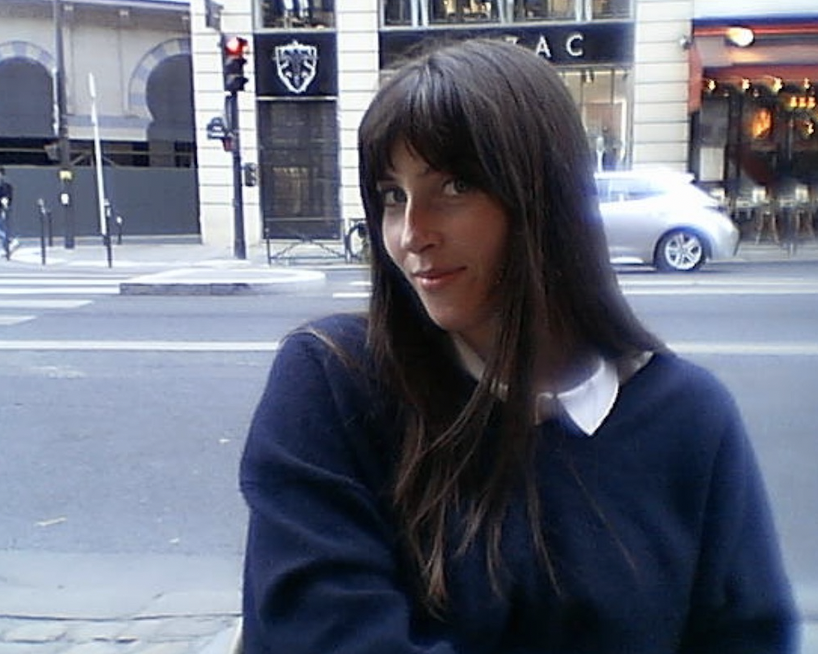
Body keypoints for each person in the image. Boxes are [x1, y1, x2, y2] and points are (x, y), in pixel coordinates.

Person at [240, 39, 797, 653]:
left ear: (543, 198)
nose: (411, 234)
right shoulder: (335, 379)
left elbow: (750, 635)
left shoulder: (690, 415)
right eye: (393, 196)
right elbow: (324, 633)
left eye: (454, 186)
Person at [0, 166, 15, 257]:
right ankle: (8, 243)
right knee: (2, 229)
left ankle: (8, 245)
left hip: (2, 209)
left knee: (3, 228)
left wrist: (5, 207)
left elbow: (7, 198)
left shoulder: (6, 186)